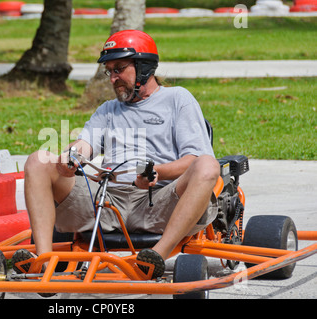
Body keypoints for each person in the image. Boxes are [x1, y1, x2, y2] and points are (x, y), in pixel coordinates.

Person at [17, 30, 220, 279]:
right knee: (39, 160)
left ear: (144, 66)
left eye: (119, 69)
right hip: (107, 202)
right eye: (109, 71)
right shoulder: (107, 110)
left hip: (160, 201)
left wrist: (157, 172)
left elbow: (194, 159)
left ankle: (157, 256)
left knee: (208, 166)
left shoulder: (177, 99)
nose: (113, 78)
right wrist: (70, 157)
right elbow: (85, 144)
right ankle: (45, 262)